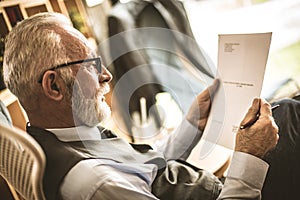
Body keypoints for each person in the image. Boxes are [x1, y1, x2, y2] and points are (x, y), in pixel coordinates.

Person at [3, 12, 279, 200]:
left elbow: (144, 171)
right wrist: (248, 157)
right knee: (287, 112)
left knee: (286, 111)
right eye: (90, 66)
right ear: (54, 87)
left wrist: (191, 123)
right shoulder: (96, 182)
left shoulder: (67, 135)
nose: (107, 75)